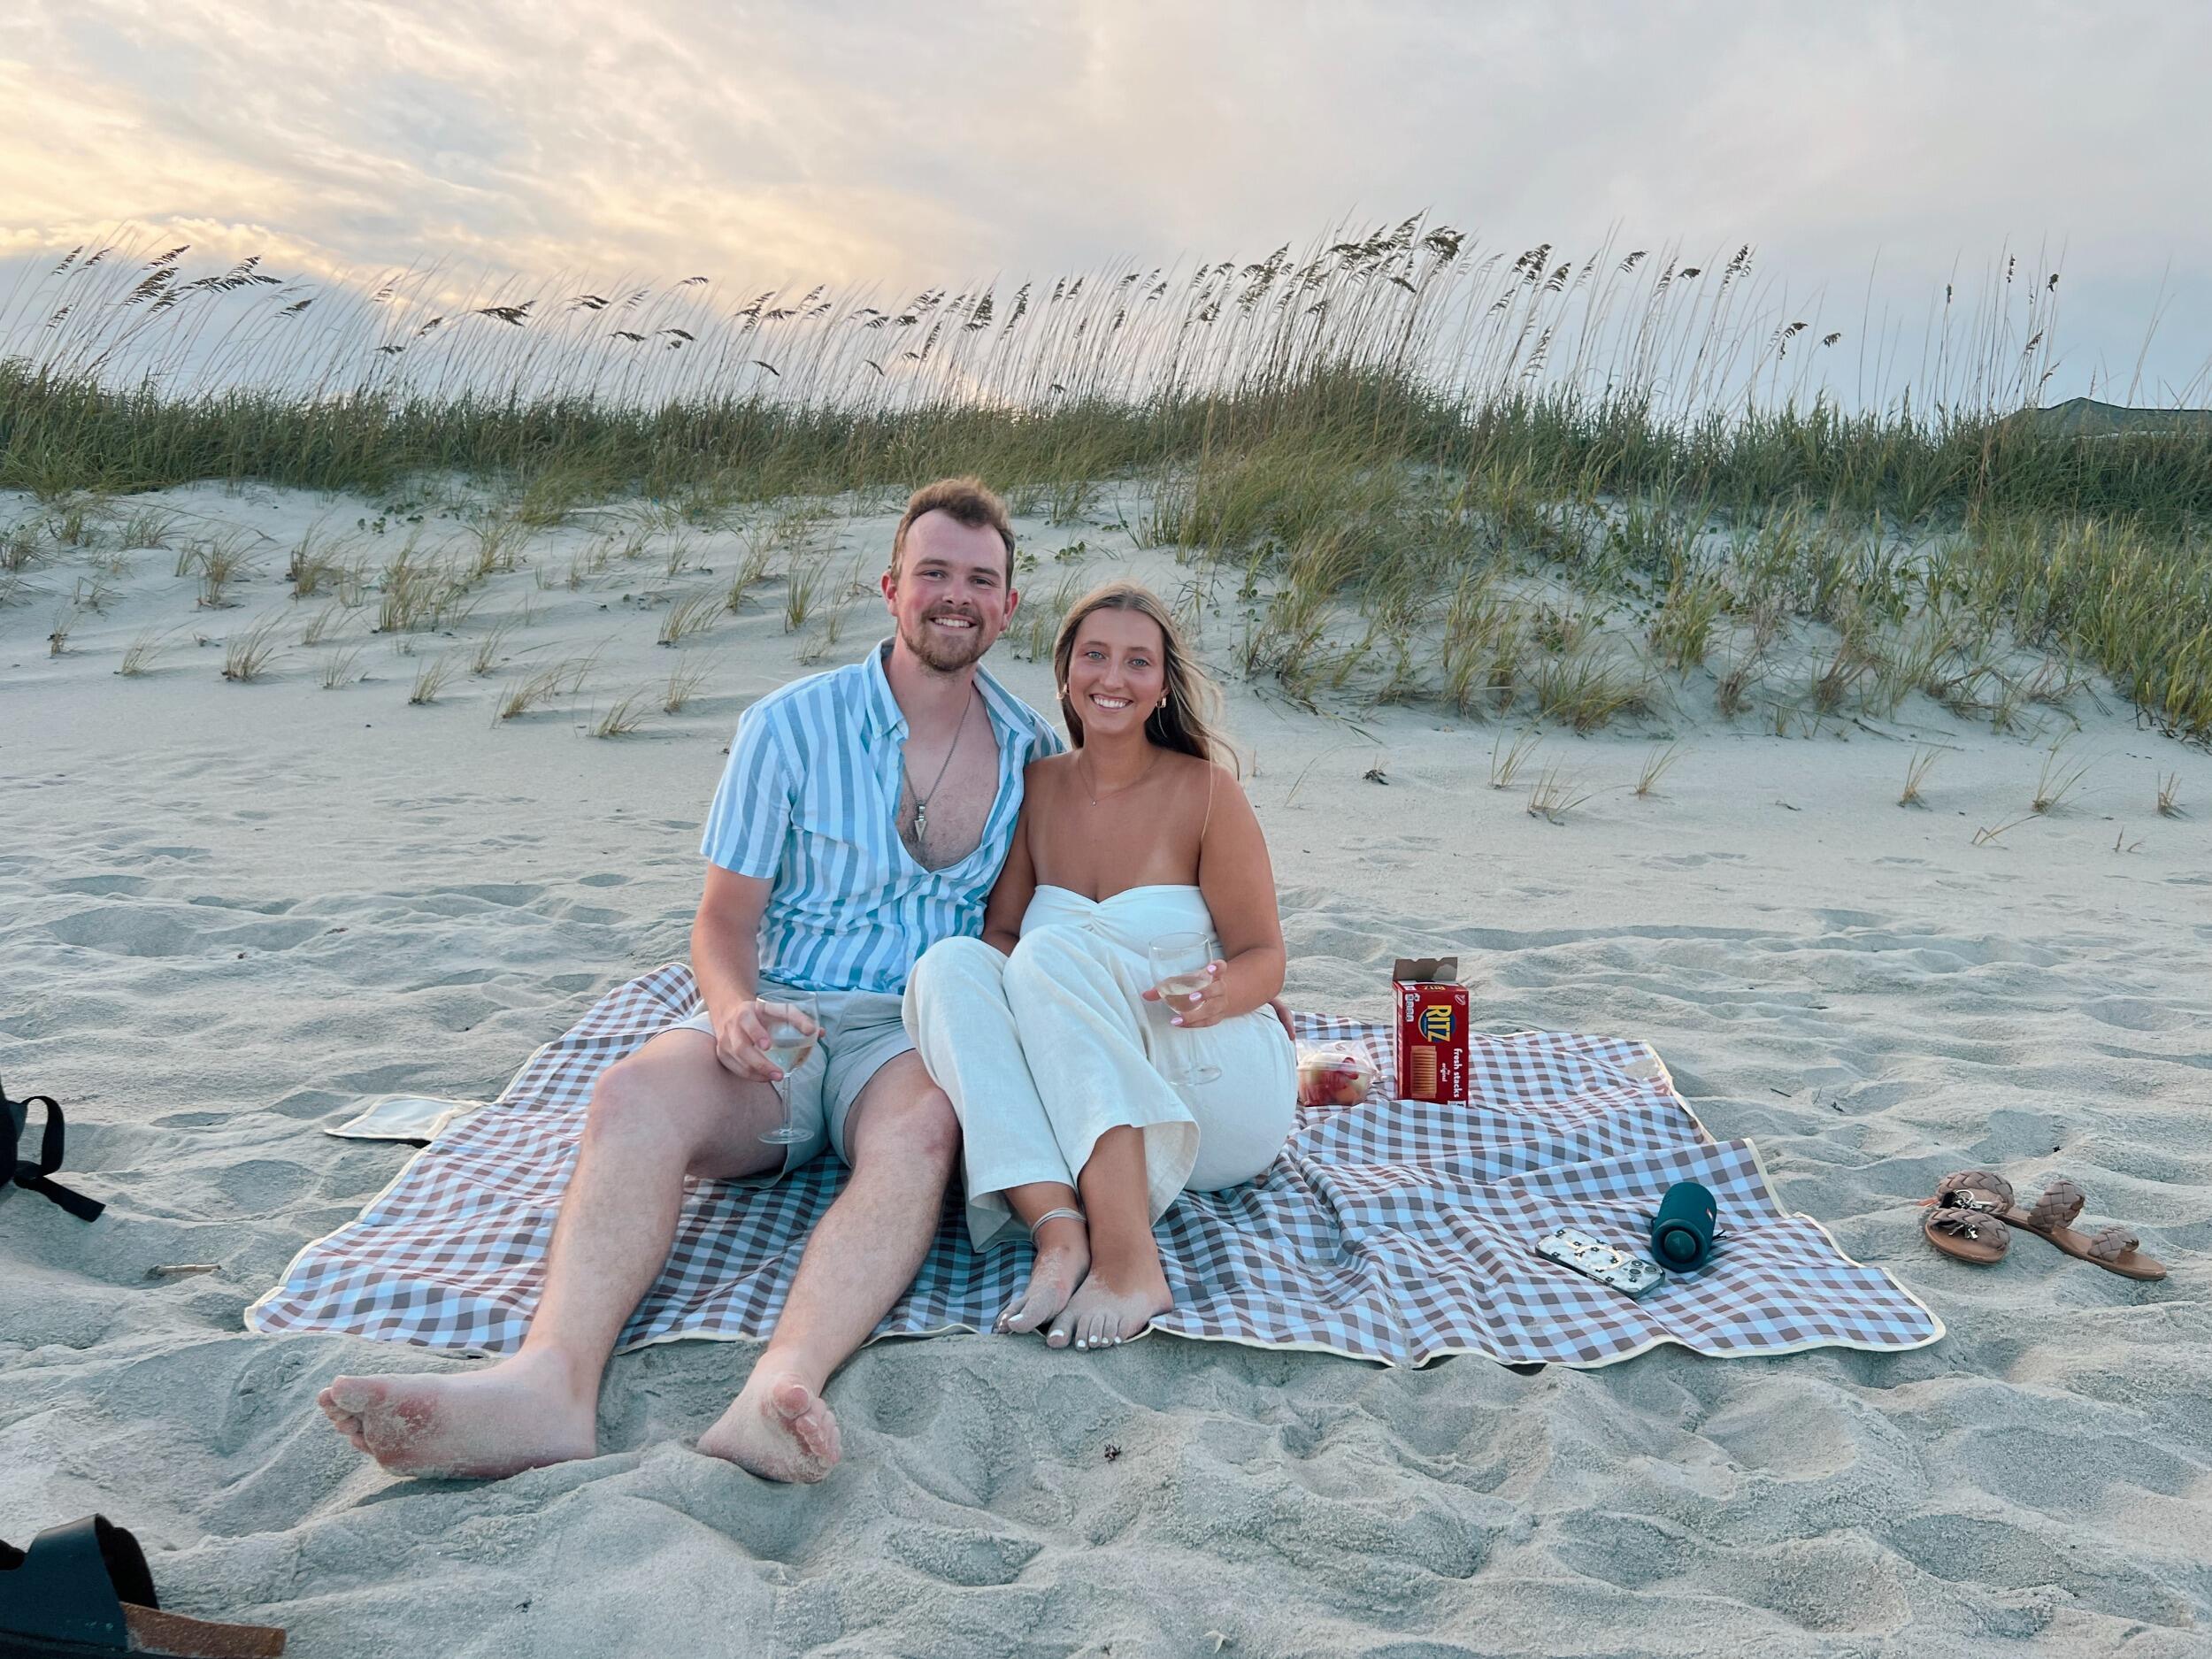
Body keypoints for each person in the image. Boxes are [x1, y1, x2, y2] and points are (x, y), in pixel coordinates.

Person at [319, 478, 1063, 1483]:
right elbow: (722, 921)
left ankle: (775, 1391)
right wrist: (729, 1010)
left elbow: (1055, 913)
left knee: (923, 1132)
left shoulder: (1032, 752)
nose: (955, 595)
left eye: (980, 579)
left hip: (913, 1034)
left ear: (1009, 606)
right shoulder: (788, 727)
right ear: (891, 588)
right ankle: (549, 1385)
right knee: (629, 1090)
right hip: (783, 1014)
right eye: (933, 572)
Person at [902, 581, 1298, 1352]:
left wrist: (1225, 994)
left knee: (1050, 953)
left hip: (1208, 1081)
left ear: (1161, 686)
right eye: (1095, 656)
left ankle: (1129, 1261)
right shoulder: (1040, 786)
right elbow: (1004, 936)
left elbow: (1266, 957)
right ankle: (1061, 1230)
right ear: (1068, 671)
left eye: (1137, 662)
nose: (1112, 678)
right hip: (1087, 1083)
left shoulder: (1208, 793)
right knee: (949, 965)